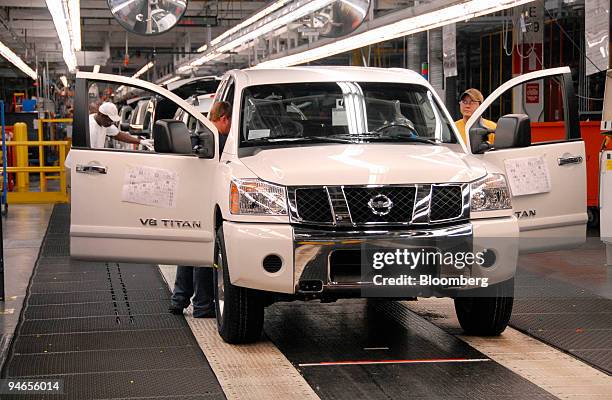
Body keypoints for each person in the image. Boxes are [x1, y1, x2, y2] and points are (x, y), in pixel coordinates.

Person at [168, 101, 232, 318]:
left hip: (190, 198)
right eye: (232, 122)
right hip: (208, 200)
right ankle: (203, 305)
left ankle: (179, 299)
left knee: (189, 250)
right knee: (205, 252)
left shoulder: (196, 134)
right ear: (225, 118)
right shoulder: (220, 140)